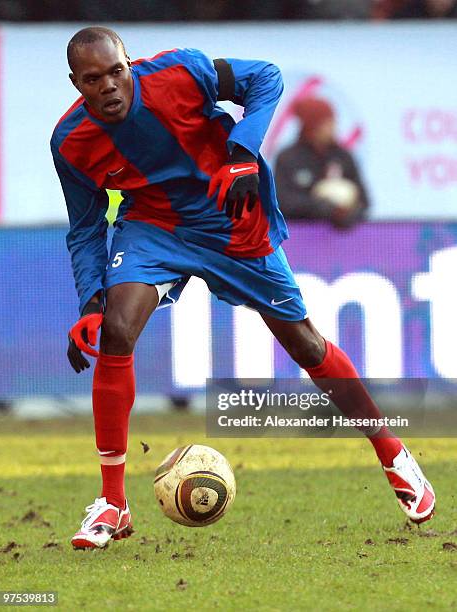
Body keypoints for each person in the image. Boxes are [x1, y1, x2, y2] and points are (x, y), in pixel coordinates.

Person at [51, 27, 435, 550]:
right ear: (76, 83)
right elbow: (86, 229)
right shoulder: (70, 142)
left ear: (129, 63)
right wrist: (90, 302)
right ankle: (113, 504)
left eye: (116, 71)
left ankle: (392, 452)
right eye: (93, 79)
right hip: (154, 226)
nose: (110, 87)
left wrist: (242, 152)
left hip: (231, 218)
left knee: (306, 344)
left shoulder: (180, 72)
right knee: (116, 331)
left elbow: (266, 78)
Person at [275, 97, 369, 228]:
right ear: (312, 126)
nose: (331, 128)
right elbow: (283, 202)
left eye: (332, 122)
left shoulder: (343, 157)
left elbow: (364, 201)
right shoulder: (289, 158)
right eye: (325, 123)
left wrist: (347, 214)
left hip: (340, 241)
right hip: (299, 237)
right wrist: (320, 207)